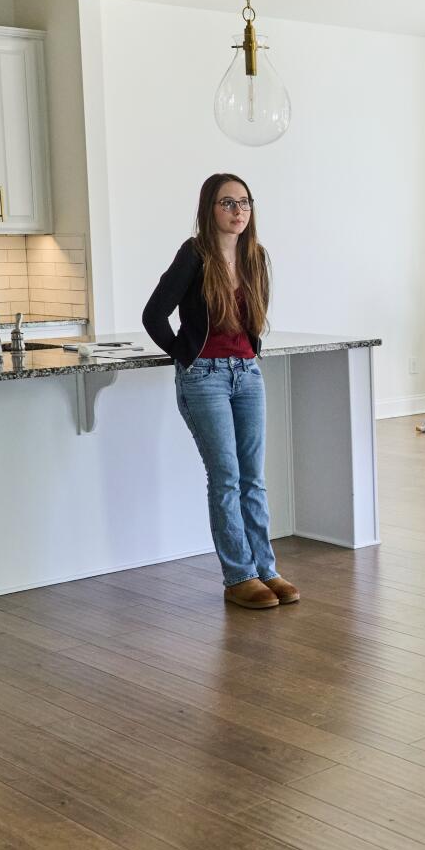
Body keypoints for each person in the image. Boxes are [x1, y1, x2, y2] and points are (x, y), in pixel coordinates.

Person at [140, 173, 300, 611]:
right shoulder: (194, 254)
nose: (238, 211)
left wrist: (249, 353)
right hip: (205, 376)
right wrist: (185, 355)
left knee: (253, 479)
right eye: (227, 203)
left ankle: (266, 569)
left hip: (247, 373)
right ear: (209, 208)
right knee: (226, 477)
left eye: (244, 203)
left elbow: (252, 317)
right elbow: (154, 314)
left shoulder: (255, 256)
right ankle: (238, 577)